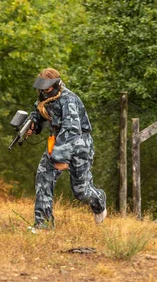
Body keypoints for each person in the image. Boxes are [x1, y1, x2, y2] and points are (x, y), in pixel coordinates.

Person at [27, 67, 107, 230]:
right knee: (43, 178)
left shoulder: (68, 99)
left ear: (56, 85)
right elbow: (39, 112)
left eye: (47, 89)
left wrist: (61, 157)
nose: (44, 92)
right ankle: (44, 223)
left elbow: (71, 129)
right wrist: (32, 124)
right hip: (57, 143)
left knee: (81, 191)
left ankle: (99, 200)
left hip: (78, 145)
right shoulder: (45, 97)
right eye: (41, 89)